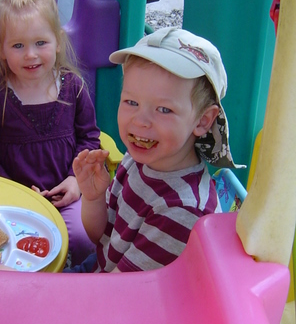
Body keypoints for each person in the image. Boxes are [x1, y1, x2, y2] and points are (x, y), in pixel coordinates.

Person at [70, 26, 241, 273]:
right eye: (131, 102)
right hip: (105, 269)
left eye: (164, 109)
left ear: (203, 121)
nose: (141, 121)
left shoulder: (181, 210)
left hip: (121, 290)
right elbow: (101, 237)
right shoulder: (141, 156)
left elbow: (123, 291)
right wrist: (93, 197)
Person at [0, 0, 101, 265]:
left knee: (84, 239)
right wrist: (12, 190)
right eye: (18, 45)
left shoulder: (74, 88)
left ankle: (79, 284)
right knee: (16, 252)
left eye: (41, 42)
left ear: (58, 41)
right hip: (16, 202)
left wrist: (75, 181)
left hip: (69, 194)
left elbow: (89, 138)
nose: (31, 54)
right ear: (1, 49)